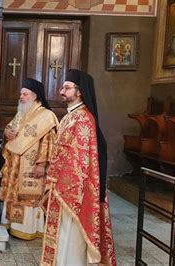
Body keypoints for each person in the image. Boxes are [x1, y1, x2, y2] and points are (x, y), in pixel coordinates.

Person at [40, 69, 116, 265]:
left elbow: (81, 160)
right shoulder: (70, 116)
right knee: (64, 234)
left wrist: (60, 184)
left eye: (67, 87)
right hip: (62, 187)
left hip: (74, 192)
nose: (61, 90)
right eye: (63, 87)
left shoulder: (83, 119)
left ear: (79, 91)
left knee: (71, 236)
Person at [0, 78, 58, 240]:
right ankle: (12, 225)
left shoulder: (47, 116)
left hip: (32, 165)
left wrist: (42, 164)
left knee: (29, 197)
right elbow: (10, 128)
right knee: (14, 194)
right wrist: (7, 132)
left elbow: (49, 142)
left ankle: (28, 229)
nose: (21, 97)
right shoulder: (22, 112)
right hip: (16, 165)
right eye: (21, 94)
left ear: (35, 96)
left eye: (24, 94)